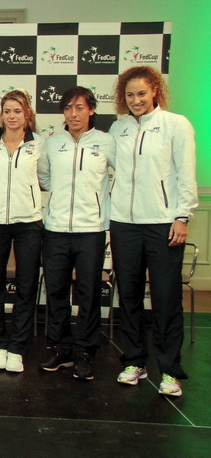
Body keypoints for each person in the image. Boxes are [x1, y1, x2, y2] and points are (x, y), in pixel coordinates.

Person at [109, 66, 197, 397]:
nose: (136, 100)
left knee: (165, 298)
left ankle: (170, 371)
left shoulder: (176, 125)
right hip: (124, 224)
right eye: (129, 95)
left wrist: (182, 217)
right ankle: (134, 361)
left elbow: (186, 173)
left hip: (163, 224)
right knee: (128, 295)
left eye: (142, 93)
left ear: (155, 92)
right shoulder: (118, 128)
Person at [39, 87, 115, 381]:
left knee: (88, 293)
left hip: (91, 230)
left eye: (80, 108)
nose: (74, 114)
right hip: (56, 228)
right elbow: (44, 176)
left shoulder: (106, 142)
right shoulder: (52, 142)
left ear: (92, 110)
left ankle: (85, 352)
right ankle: (61, 348)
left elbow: (123, 174)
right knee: (56, 291)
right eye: (69, 108)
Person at [0, 89, 48, 373]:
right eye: (7, 111)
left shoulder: (40, 144)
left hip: (28, 223)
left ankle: (17, 347)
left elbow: (44, 177)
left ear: (27, 114)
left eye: (17, 111)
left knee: (26, 285)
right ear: (1, 114)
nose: (12, 116)